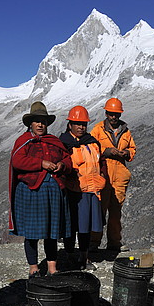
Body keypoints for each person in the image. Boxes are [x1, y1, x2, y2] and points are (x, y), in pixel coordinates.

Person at [9, 101, 72, 277]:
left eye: (43, 121)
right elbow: (17, 161)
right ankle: (34, 267)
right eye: (36, 121)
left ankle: (52, 268)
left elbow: (68, 160)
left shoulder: (54, 142)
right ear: (31, 123)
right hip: (31, 192)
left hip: (54, 192)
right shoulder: (24, 142)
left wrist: (62, 165)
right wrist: (41, 163)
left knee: (51, 233)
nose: (40, 124)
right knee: (32, 232)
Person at [59, 106, 106, 270]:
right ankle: (70, 255)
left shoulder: (92, 143)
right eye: (77, 124)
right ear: (70, 124)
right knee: (71, 226)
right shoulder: (64, 143)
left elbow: (101, 162)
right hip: (73, 191)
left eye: (83, 124)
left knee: (86, 228)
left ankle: (84, 257)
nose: (80, 127)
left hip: (92, 190)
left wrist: (103, 176)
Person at [89, 97, 136, 252]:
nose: (114, 117)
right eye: (111, 113)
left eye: (116, 114)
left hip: (120, 174)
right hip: (103, 173)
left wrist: (126, 153)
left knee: (116, 211)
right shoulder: (97, 129)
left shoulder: (126, 131)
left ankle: (114, 242)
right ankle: (94, 243)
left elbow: (133, 149)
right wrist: (107, 151)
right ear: (106, 113)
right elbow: (90, 148)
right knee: (99, 210)